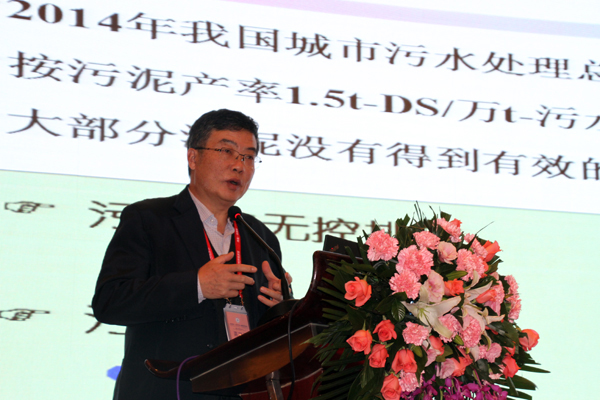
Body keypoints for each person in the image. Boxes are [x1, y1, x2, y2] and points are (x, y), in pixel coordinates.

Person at [92, 109, 290, 400]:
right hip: (164, 390)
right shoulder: (148, 219)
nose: (239, 165)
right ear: (193, 157)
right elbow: (110, 301)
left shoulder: (260, 236)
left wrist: (279, 309)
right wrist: (197, 285)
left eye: (249, 157)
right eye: (227, 151)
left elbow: (265, 338)